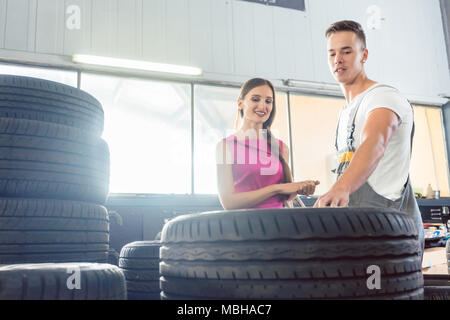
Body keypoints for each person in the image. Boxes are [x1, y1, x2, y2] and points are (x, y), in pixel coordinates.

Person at [314, 20, 424, 254]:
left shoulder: (383, 97)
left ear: (364, 55)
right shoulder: (344, 113)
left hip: (392, 232)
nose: (338, 59)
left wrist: (341, 187)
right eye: (332, 53)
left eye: (346, 51)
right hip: (359, 230)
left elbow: (375, 142)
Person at [216, 78, 319, 210]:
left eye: (268, 101)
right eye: (255, 99)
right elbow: (228, 203)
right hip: (244, 226)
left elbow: (284, 198)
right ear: (240, 103)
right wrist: (276, 188)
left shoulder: (281, 147)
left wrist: (300, 188)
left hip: (279, 224)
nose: (262, 106)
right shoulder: (225, 147)